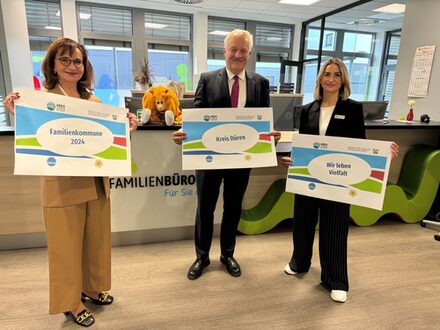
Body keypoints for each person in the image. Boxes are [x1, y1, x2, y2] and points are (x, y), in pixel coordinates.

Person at [3, 37, 138, 327]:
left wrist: (128, 130)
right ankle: (71, 303)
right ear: (52, 64)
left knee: (95, 242)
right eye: (64, 60)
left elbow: (109, 142)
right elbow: (31, 133)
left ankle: (91, 289)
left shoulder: (95, 101)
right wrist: (16, 110)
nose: (72, 66)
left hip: (95, 181)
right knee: (65, 247)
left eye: (77, 60)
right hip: (61, 184)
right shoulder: (41, 99)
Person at [281, 58, 399, 303]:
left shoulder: (352, 109)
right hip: (308, 176)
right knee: (302, 221)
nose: (331, 79)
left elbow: (361, 146)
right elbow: (301, 144)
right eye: (327, 74)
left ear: (343, 79)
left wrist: (384, 153)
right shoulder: (307, 109)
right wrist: (292, 159)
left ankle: (335, 279)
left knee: (334, 227)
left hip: (338, 178)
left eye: (336, 75)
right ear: (320, 79)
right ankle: (299, 262)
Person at [173, 29, 280, 280]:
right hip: (209, 159)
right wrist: (184, 133)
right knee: (205, 208)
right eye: (234, 49)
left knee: (233, 208)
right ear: (224, 52)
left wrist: (269, 135)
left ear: (250, 54)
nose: (238, 54)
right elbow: (197, 117)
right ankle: (201, 257)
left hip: (242, 159)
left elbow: (262, 120)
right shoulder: (208, 79)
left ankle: (227, 254)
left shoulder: (260, 83)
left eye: (243, 50)